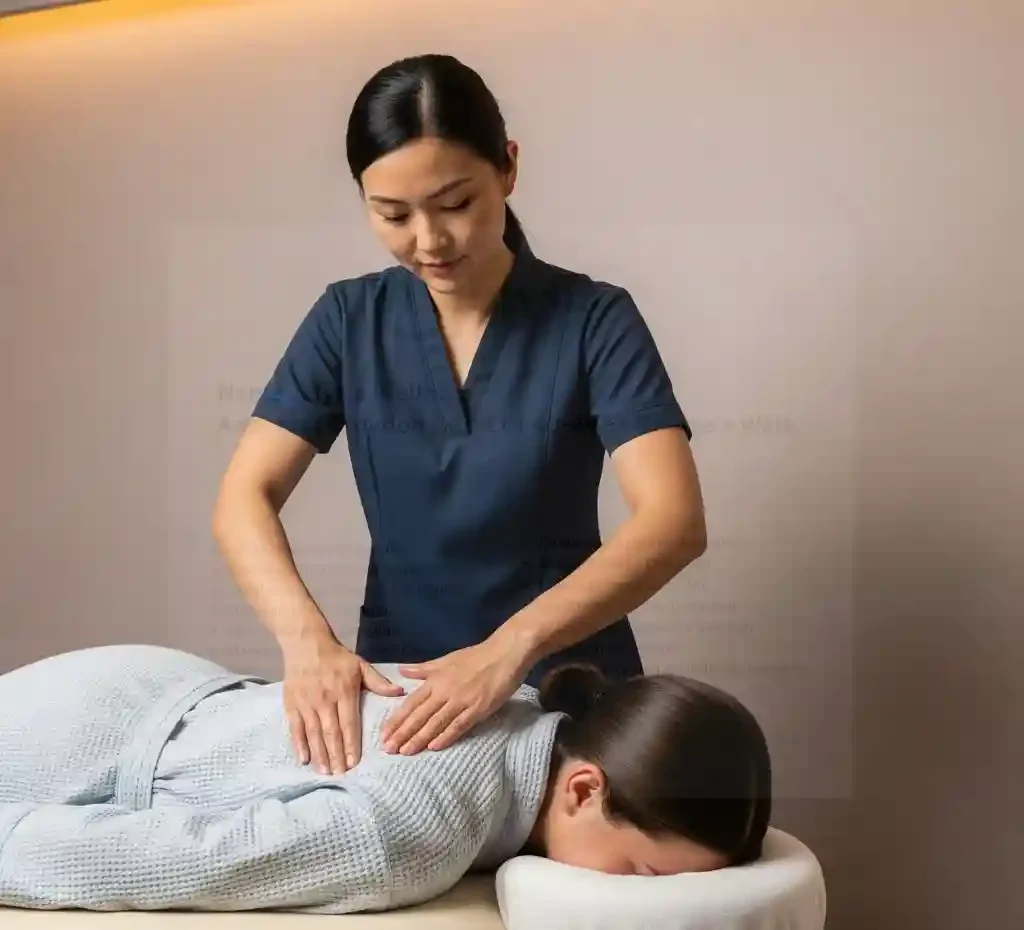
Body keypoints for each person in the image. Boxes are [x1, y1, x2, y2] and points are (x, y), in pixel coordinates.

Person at [211, 52, 707, 781]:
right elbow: (242, 498)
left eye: (455, 204)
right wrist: (307, 642)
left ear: (508, 168)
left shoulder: (594, 320)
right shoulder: (348, 320)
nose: (429, 241)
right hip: (404, 709)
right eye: (393, 214)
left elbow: (674, 521)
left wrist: (510, 650)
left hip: (568, 698)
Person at [0, 643, 771, 913]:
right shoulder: (413, 837)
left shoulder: (523, 708)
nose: (647, 897)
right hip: (78, 747)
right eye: (643, 873)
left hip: (153, 681)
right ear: (584, 790)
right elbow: (184, 855)